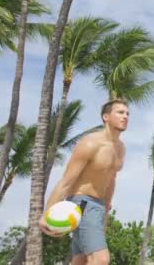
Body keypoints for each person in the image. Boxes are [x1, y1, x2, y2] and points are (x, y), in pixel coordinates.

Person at [39, 99, 128, 265]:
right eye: (120, 112)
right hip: (82, 203)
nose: (125, 116)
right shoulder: (90, 143)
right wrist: (47, 213)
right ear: (106, 117)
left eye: (127, 113)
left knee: (80, 260)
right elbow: (66, 181)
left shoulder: (121, 149)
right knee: (100, 259)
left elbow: (111, 180)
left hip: (98, 206)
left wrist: (106, 212)